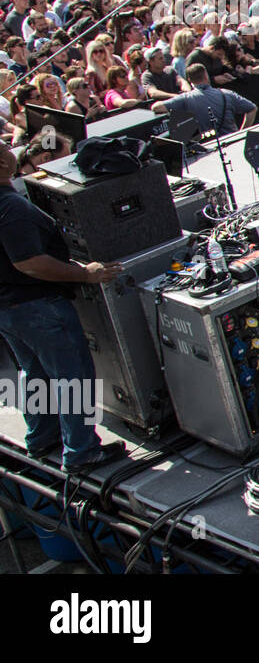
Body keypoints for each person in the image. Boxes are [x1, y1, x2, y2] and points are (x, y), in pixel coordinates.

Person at [0, 139, 127, 472]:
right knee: (73, 376)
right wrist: (83, 273)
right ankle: (82, 451)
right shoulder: (11, 208)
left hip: (9, 309)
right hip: (37, 306)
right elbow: (29, 262)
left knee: (34, 373)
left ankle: (42, 438)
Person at [151, 63, 257, 135]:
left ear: (189, 80)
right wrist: (241, 132)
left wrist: (176, 97)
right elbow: (252, 108)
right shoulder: (227, 94)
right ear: (206, 76)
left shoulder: (185, 98)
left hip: (208, 149)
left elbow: (156, 107)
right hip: (233, 141)